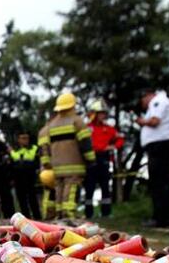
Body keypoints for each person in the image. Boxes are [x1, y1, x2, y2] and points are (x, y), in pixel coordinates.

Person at [38, 92, 94, 220]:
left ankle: (59, 214)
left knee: (59, 188)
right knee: (72, 186)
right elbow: (85, 143)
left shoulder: (50, 125)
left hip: (56, 166)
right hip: (74, 164)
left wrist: (47, 163)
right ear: (73, 105)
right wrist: (91, 160)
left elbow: (45, 147)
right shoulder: (77, 121)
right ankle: (69, 214)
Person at [135, 87, 169, 227]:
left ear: (147, 96)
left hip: (160, 146)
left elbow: (154, 121)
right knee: (161, 182)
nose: (143, 104)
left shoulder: (158, 101)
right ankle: (163, 217)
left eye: (142, 101)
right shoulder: (160, 102)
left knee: (159, 182)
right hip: (160, 146)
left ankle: (161, 218)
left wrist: (141, 121)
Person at [85, 99, 124, 218]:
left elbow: (120, 139)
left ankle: (106, 213)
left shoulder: (108, 128)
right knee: (89, 186)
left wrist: (113, 146)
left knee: (105, 186)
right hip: (91, 159)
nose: (104, 115)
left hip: (105, 159)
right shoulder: (87, 128)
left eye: (104, 113)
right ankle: (89, 213)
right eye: (101, 113)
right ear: (95, 114)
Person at [10, 131, 41, 219]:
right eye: (23, 138)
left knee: (33, 198)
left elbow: (37, 163)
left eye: (27, 138)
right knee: (21, 199)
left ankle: (37, 217)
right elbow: (11, 166)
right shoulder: (13, 151)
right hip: (18, 178)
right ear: (18, 140)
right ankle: (26, 218)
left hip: (30, 177)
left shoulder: (34, 148)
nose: (25, 140)